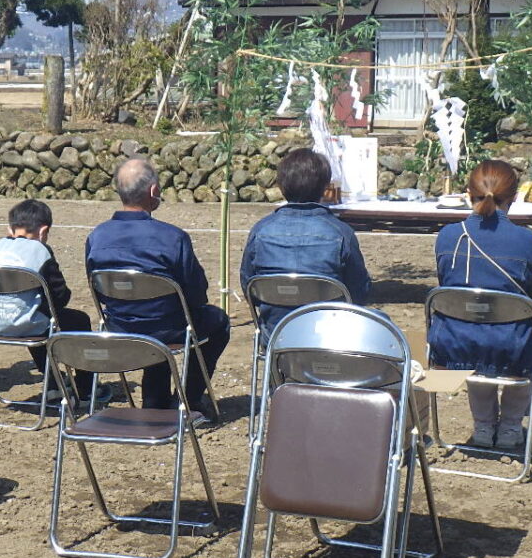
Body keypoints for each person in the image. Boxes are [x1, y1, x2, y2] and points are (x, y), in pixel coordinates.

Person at [85, 157, 229, 418]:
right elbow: (196, 295)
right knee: (216, 321)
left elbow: (97, 290)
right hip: (167, 327)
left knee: (156, 315)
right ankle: (189, 398)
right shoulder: (173, 238)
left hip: (120, 326)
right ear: (154, 191)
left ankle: (155, 399)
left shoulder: (97, 236)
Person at [428, 160, 532, 449]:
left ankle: (483, 427)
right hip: (510, 345)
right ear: (514, 198)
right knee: (523, 338)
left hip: (453, 344)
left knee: (473, 331)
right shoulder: (527, 241)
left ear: (467, 194)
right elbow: (530, 299)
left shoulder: (448, 236)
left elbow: (450, 287)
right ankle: (511, 427)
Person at [0, 199, 108, 403]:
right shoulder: (39, 251)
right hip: (24, 324)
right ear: (43, 231)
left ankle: (54, 383)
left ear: (10, 228)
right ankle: (87, 388)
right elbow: (60, 297)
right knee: (74, 319)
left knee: (35, 313)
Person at [240, 147, 372, 338]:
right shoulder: (341, 233)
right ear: (325, 187)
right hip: (331, 335)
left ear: (281, 186)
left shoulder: (261, 231)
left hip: (276, 335)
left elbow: (250, 287)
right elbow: (359, 292)